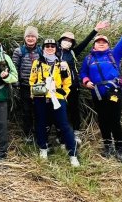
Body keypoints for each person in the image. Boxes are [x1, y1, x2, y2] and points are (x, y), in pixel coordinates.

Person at [80, 17, 122, 162]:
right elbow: (83, 73)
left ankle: (120, 150)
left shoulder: (114, 55)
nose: (101, 44)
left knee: (115, 121)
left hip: (114, 93)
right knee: (103, 121)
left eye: (104, 42)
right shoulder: (88, 59)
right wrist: (86, 81)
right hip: (97, 94)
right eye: (98, 42)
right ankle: (108, 148)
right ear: (94, 45)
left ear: (108, 45)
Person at [30, 39, 79, 167]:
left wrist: (63, 95)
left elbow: (68, 82)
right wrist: (35, 95)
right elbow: (32, 80)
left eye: (52, 46)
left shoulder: (62, 64)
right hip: (41, 97)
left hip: (57, 98)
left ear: (56, 48)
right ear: (43, 48)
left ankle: (72, 153)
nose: (50, 48)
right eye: (47, 46)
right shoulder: (37, 63)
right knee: (41, 123)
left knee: (64, 125)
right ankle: (43, 149)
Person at [57, 21, 109, 143]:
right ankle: (61, 134)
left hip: (73, 86)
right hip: (59, 87)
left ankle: (76, 133)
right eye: (65, 39)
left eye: (70, 40)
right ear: (60, 40)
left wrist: (95, 29)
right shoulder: (53, 52)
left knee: (74, 110)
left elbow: (85, 43)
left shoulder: (73, 52)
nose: (68, 42)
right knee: (60, 110)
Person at [12, 26, 41, 142]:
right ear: (25, 38)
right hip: (24, 86)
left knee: (38, 110)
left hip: (39, 86)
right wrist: (16, 83)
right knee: (26, 111)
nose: (30, 38)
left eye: (33, 36)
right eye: (28, 36)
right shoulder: (19, 51)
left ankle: (39, 133)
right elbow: (14, 67)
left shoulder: (40, 50)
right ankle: (28, 135)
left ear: (36, 38)